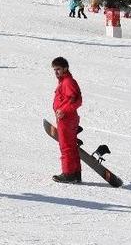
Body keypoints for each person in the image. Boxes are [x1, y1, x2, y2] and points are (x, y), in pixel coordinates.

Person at [51, 56, 82, 184]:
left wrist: (63, 110)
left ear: (65, 68)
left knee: (66, 147)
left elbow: (76, 100)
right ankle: (75, 173)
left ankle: (68, 174)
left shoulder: (68, 82)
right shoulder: (64, 82)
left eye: (58, 69)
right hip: (67, 118)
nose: (56, 72)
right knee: (71, 146)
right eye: (54, 70)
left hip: (66, 119)